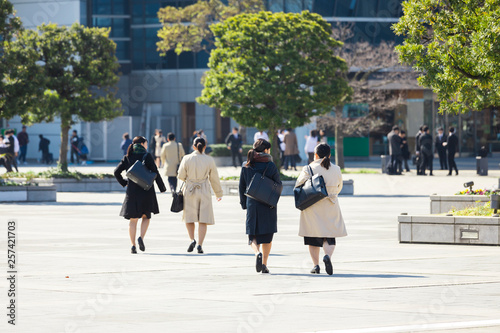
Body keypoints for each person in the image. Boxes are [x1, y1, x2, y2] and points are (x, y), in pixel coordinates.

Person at [295, 143, 347, 275]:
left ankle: (316, 265)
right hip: (331, 204)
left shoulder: (309, 168)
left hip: (313, 206)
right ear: (329, 155)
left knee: (313, 236)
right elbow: (339, 187)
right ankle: (328, 256)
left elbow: (299, 184)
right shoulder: (336, 169)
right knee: (329, 236)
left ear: (316, 154)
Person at [114, 136, 167, 254]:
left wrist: (124, 183)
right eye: (146, 143)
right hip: (146, 190)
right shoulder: (146, 156)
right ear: (142, 144)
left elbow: (116, 172)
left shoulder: (128, 157)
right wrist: (162, 188)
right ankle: (141, 238)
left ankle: (133, 246)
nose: (147, 145)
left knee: (133, 220)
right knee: (146, 217)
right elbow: (155, 172)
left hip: (132, 192)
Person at [239, 139, 281, 274]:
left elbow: (242, 187)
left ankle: (257, 253)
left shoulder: (247, 165)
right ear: (266, 150)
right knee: (267, 237)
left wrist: (244, 204)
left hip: (252, 204)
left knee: (253, 235)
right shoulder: (270, 165)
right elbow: (278, 185)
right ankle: (264, 264)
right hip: (268, 204)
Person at [178, 137, 223, 254]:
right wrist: (218, 193)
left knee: (189, 218)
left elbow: (181, 175)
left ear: (193, 146)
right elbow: (214, 179)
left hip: (190, 190)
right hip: (204, 190)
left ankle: (192, 239)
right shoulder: (209, 160)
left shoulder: (186, 158)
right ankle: (200, 244)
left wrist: (190, 179)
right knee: (203, 219)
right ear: (204, 146)